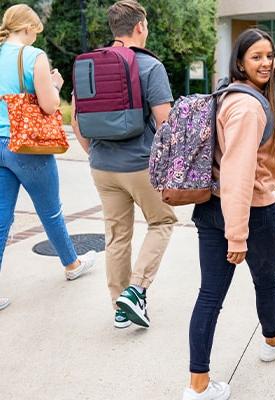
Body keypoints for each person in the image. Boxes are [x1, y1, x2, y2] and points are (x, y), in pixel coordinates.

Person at [182, 28, 275, 400]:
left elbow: (263, 162)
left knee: (209, 296)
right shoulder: (248, 106)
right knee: (265, 281)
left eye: (270, 55)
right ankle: (271, 341)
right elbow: (239, 171)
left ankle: (199, 385)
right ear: (240, 62)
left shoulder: (228, 95)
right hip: (249, 214)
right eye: (256, 56)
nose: (265, 62)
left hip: (211, 208)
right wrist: (238, 235)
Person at [72, 0, 177, 329]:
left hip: (102, 165)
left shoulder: (89, 65)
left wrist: (93, 153)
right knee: (161, 222)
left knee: (117, 236)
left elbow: (77, 119)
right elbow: (166, 123)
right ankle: (136, 290)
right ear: (140, 27)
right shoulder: (149, 66)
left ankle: (120, 307)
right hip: (140, 165)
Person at [0, 4, 96, 311]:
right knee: (51, 211)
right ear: (28, 29)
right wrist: (55, 85)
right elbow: (50, 105)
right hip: (26, 145)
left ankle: (70, 262)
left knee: (2, 219)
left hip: (0, 142)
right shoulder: (33, 56)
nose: (34, 37)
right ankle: (71, 264)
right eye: (35, 32)